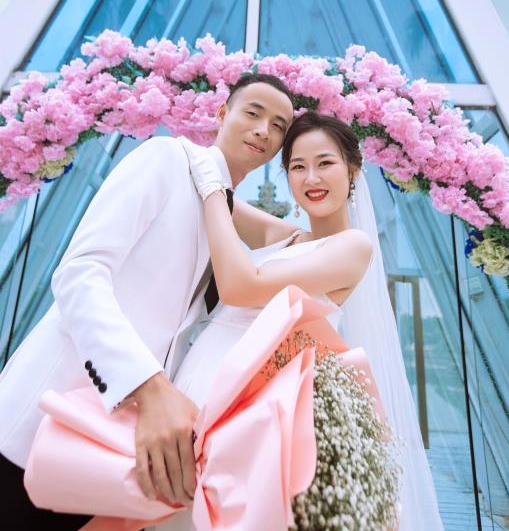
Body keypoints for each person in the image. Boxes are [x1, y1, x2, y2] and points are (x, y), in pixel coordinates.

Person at [0, 72, 295, 530]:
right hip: (38, 422)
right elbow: (80, 273)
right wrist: (150, 387)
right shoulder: (166, 159)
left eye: (278, 126)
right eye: (253, 113)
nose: (264, 131)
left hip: (107, 450)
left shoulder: (224, 209)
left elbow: (289, 236)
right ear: (222, 113)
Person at [154, 111, 444, 530]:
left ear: (353, 170)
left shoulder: (353, 247)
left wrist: (213, 189)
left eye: (325, 163)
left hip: (242, 404)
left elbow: (240, 285)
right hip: (195, 384)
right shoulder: (285, 237)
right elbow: (211, 195)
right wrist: (197, 159)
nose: (311, 178)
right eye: (297, 166)